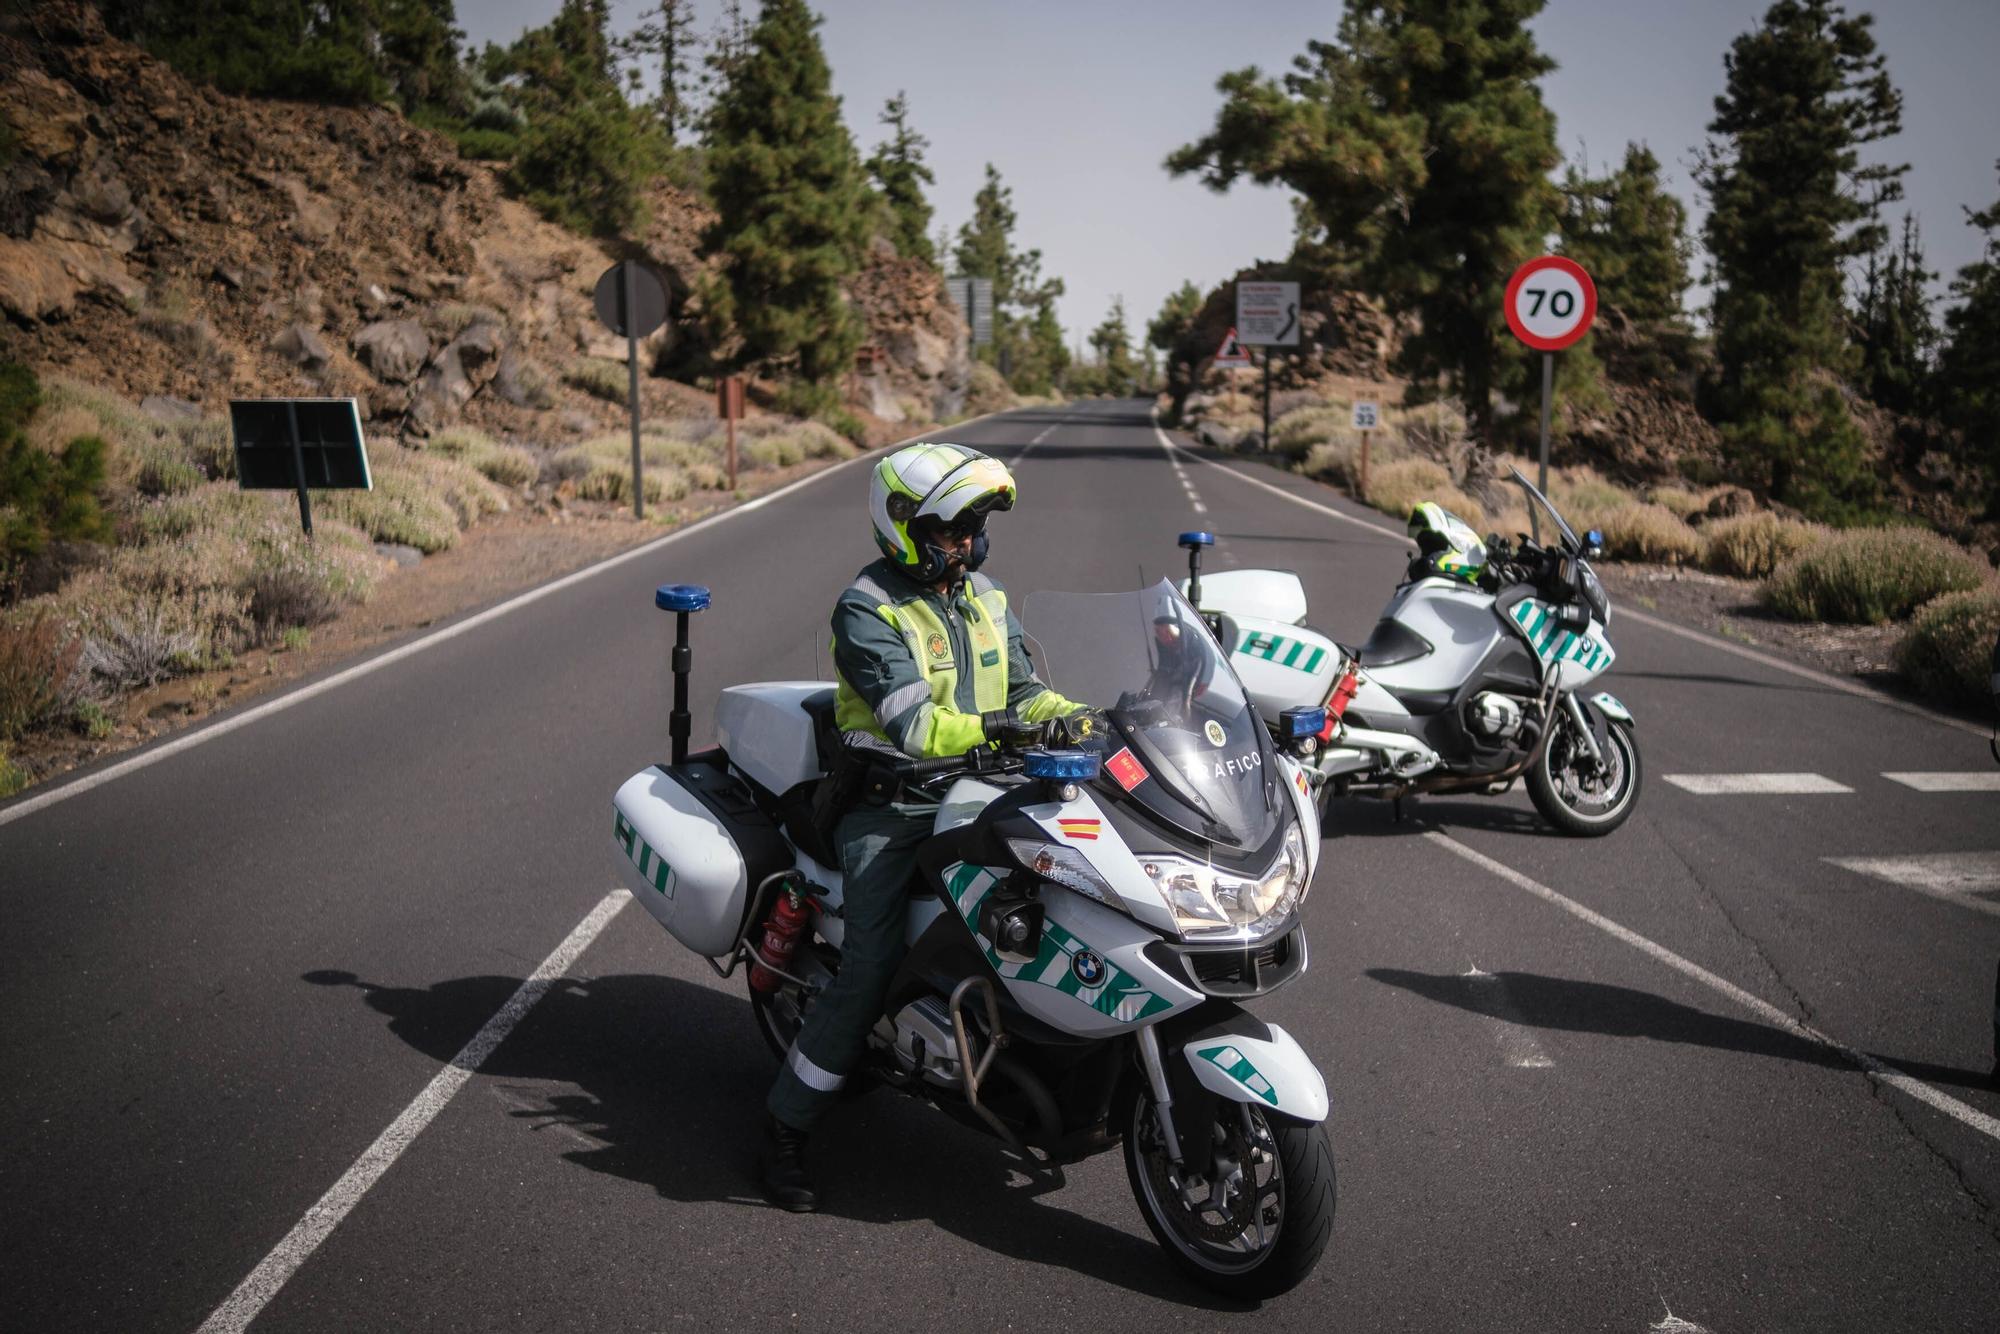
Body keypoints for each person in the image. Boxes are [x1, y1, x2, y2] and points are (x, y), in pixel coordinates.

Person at [761, 442, 1092, 1211]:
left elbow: (1026, 692)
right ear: (903, 523)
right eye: (953, 527)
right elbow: (915, 724)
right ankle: (785, 1125)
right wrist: (1004, 729)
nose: (969, 543)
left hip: (980, 785)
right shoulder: (866, 608)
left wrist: (1085, 717)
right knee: (870, 965)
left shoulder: (985, 596)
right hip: (892, 804)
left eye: (975, 527)